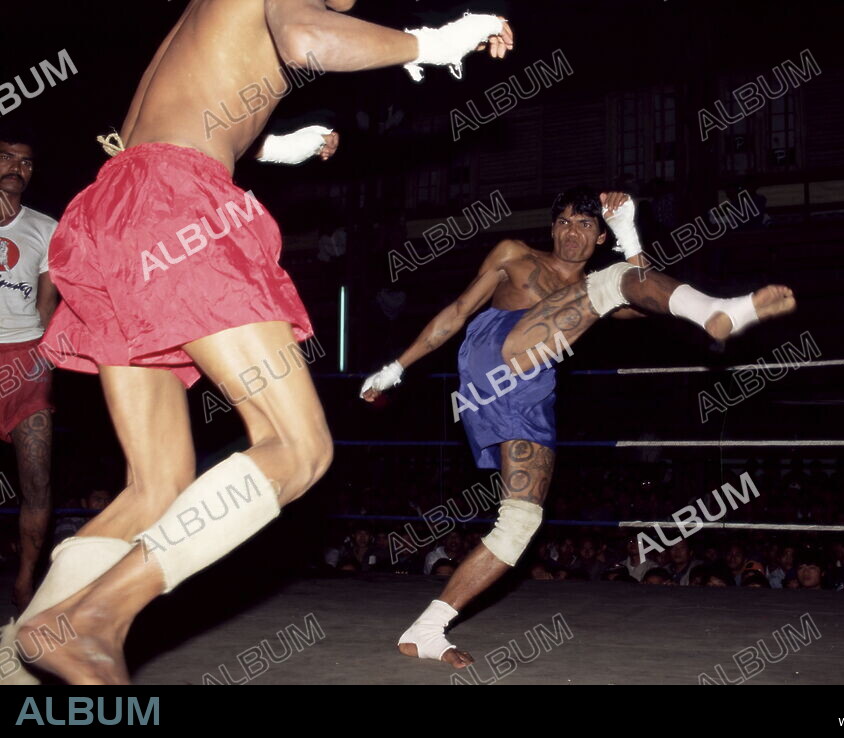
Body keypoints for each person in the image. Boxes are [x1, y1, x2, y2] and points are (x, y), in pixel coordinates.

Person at [2, 0, 514, 686]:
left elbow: (156, 128)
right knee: (297, 448)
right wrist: (430, 41)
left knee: (156, 487)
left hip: (116, 211)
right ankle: (97, 620)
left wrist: (271, 145)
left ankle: (30, 648)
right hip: (176, 203)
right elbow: (306, 39)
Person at [362, 186, 795, 667]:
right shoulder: (515, 254)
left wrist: (629, 229)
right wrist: (396, 368)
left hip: (532, 388)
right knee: (612, 281)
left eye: (585, 224)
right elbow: (459, 312)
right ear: (551, 228)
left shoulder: (593, 288)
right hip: (496, 357)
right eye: (565, 222)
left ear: (597, 236)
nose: (573, 232)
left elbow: (642, 293)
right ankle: (720, 311)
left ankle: (425, 629)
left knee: (520, 523)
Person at [0, 126, 57, 614]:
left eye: (26, 161)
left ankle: (25, 585)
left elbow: (48, 307)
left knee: (36, 479)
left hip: (25, 361)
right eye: (7, 157)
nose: (18, 167)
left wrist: (42, 361)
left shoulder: (46, 227)